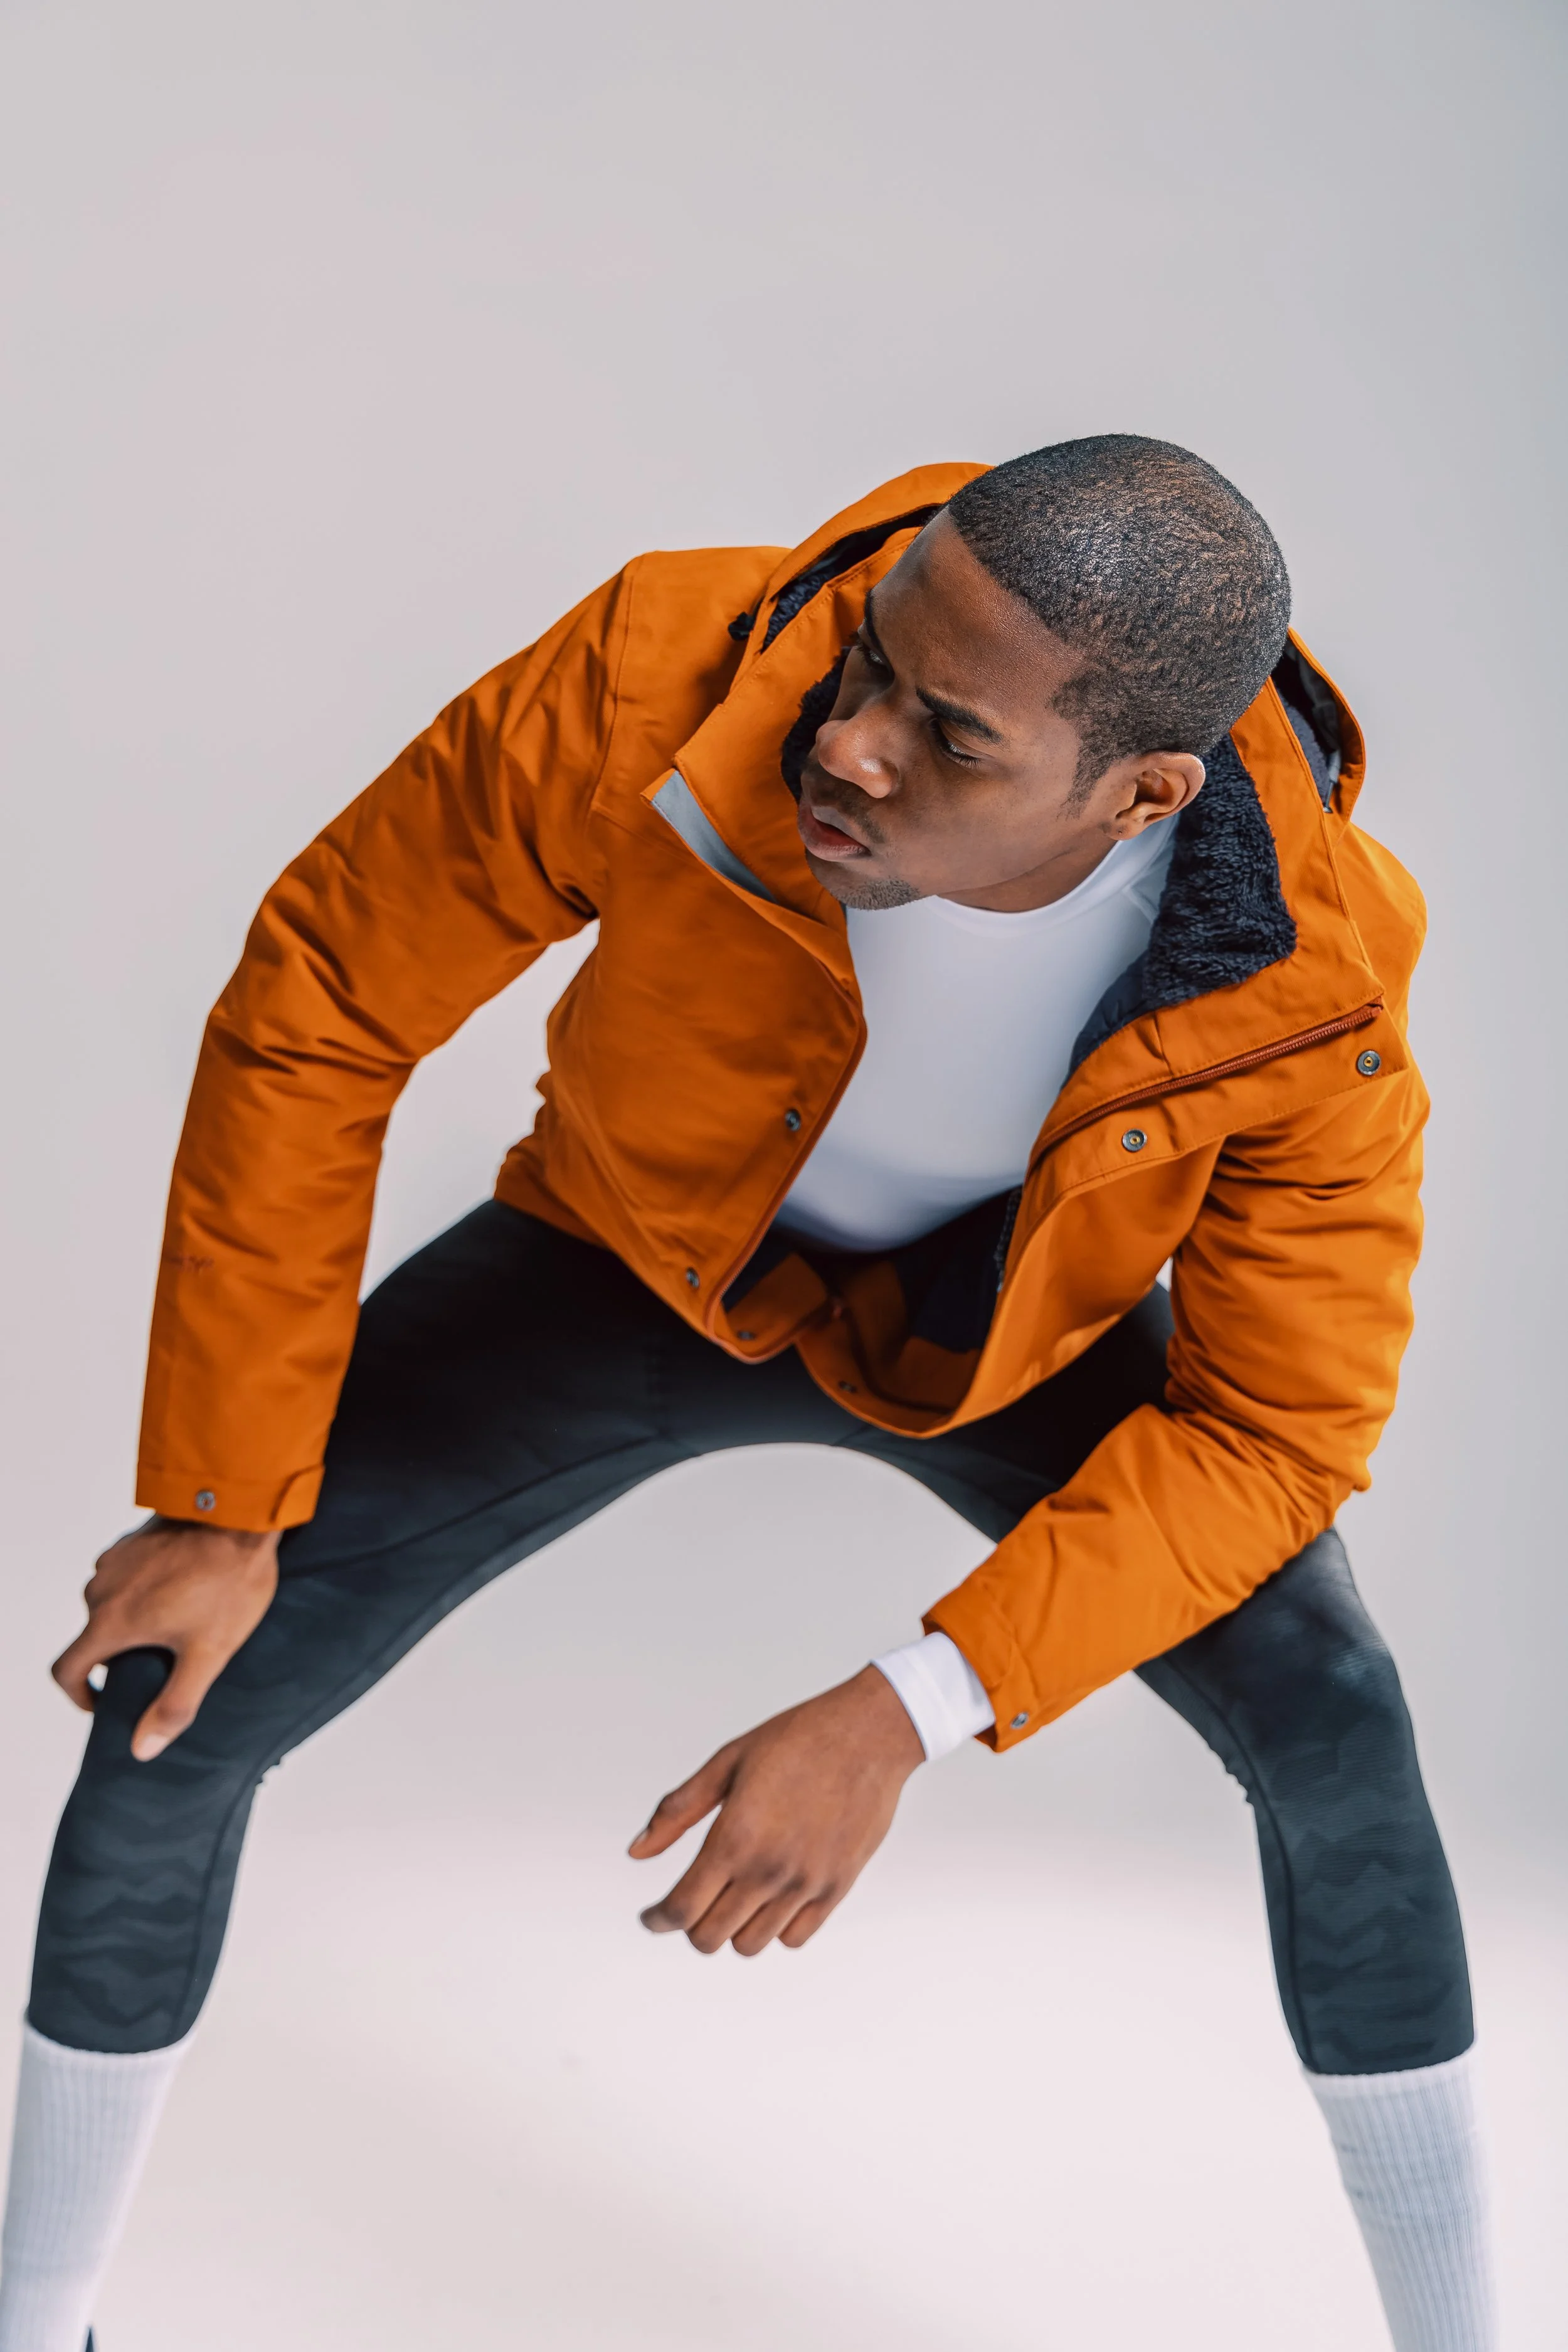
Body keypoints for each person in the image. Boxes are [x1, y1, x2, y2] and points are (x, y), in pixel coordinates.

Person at [0, 438, 1492, 2351]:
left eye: (946, 738)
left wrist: (907, 1705)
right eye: (867, 662)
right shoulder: (662, 667)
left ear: (1140, 797)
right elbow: (326, 998)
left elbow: (1277, 1429)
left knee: (1338, 1717)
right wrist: (220, 1498)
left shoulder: (1313, 974)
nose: (851, 745)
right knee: (169, 1696)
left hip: (1004, 1339)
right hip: (624, 1258)